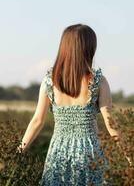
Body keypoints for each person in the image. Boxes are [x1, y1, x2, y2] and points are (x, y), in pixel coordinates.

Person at [17, 24, 132, 185]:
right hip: (89, 155)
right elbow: (111, 123)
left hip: (58, 154)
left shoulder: (50, 81)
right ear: (89, 48)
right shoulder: (99, 81)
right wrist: (130, 157)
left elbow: (37, 121)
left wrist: (17, 153)